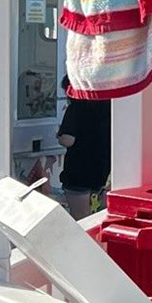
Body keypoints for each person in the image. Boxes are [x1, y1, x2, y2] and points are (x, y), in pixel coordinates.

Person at [57, 76, 111, 219]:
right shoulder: (108, 106)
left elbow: (68, 139)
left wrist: (58, 136)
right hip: (103, 170)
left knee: (82, 220)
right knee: (101, 219)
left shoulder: (75, 109)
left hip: (79, 172)